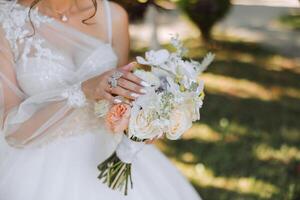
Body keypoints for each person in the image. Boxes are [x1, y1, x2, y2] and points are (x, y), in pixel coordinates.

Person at [0, 0, 202, 199]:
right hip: (36, 166)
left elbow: (121, 100)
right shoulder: (7, 20)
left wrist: (144, 122)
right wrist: (83, 90)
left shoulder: (113, 16)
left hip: (106, 155)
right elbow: (12, 131)